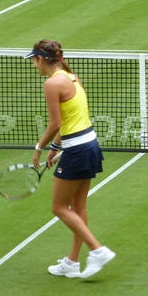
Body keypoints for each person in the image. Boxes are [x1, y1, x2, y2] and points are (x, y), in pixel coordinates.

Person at [25, 39, 115, 278]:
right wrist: (56, 146)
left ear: (41, 59)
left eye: (34, 61)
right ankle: (72, 263)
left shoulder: (52, 83)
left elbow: (55, 123)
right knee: (79, 206)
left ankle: (97, 250)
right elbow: (70, 119)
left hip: (76, 151)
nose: (34, 66)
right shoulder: (71, 76)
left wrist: (39, 148)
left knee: (58, 207)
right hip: (89, 145)